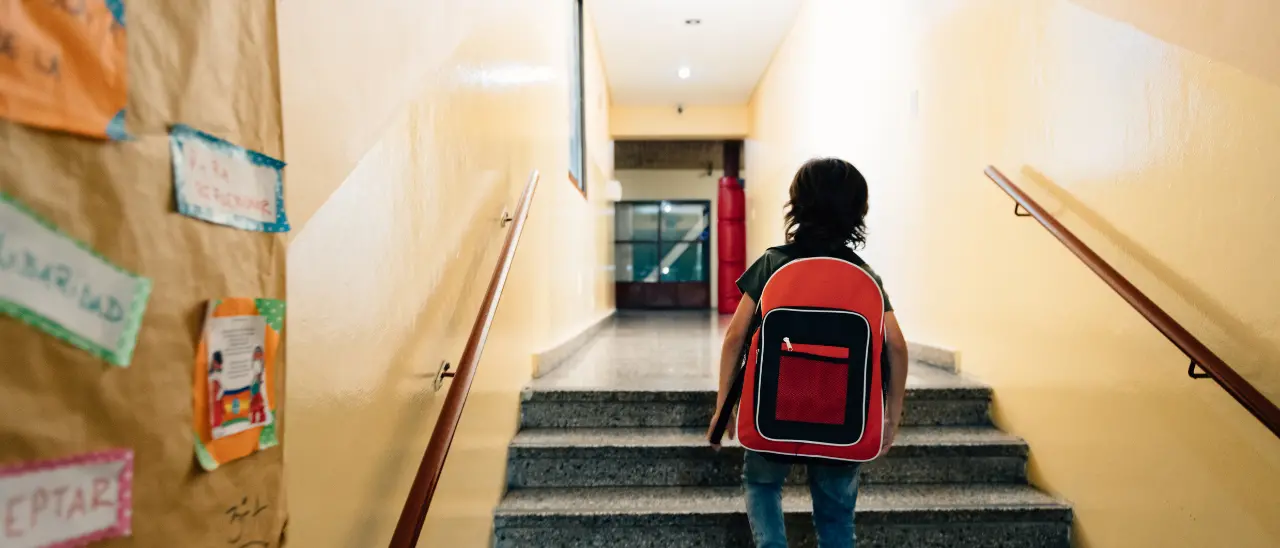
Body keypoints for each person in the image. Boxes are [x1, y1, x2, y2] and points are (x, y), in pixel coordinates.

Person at [709, 158, 910, 548]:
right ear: (858, 211)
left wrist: (723, 405)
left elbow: (735, 337)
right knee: (836, 517)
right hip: (842, 417)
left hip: (774, 409)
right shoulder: (865, 275)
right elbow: (896, 345)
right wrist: (892, 412)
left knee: (762, 483)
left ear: (796, 204)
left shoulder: (774, 262)